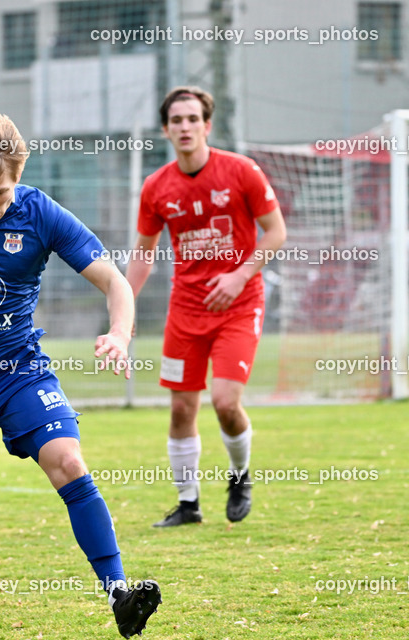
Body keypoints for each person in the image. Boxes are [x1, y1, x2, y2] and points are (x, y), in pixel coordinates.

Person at [0, 114, 162, 639]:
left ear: (20, 174)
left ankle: (118, 592)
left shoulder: (41, 213)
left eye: (2, 192)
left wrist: (121, 333)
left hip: (18, 370)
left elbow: (114, 280)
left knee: (68, 460)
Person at [124, 86, 287, 527]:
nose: (185, 127)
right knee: (181, 408)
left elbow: (275, 232)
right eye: (176, 120)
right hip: (186, 310)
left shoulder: (241, 171)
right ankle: (189, 504)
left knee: (225, 401)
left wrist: (239, 275)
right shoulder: (157, 187)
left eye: (193, 119)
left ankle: (239, 476)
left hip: (239, 304)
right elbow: (143, 254)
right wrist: (124, 309)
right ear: (166, 129)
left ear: (207, 125)